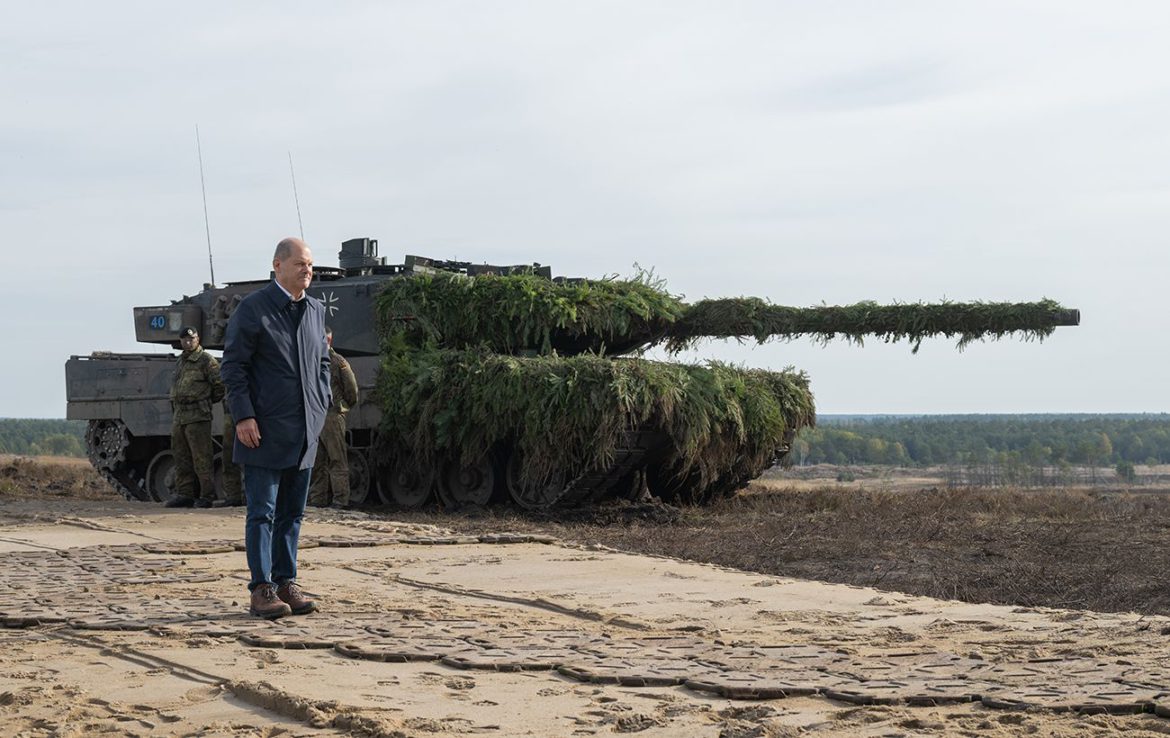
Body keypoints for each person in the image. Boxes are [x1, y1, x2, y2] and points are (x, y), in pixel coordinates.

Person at [221, 237, 331, 619]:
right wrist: (244, 416)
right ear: (278, 265)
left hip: (304, 430)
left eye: (311, 265)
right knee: (262, 513)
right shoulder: (254, 309)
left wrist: (321, 404)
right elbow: (233, 367)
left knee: (292, 514)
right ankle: (262, 588)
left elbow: (323, 362)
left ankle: (287, 582)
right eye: (301, 263)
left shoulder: (315, 310)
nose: (308, 270)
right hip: (263, 428)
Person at [166, 326, 224, 508]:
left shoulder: (206, 360)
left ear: (198, 339)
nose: (188, 342)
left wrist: (203, 401)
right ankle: (185, 494)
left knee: (201, 457)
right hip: (180, 415)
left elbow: (220, 387)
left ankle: (207, 495)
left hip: (198, 415)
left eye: (191, 339)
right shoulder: (181, 361)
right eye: (185, 339)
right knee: (181, 457)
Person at [308, 327, 360, 509]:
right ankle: (331, 501)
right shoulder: (335, 362)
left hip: (323, 415)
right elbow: (352, 392)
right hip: (327, 414)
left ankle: (326, 500)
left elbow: (351, 390)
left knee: (326, 460)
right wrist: (345, 406)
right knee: (325, 460)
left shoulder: (323, 361)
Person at [218, 404, 244, 507]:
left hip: (252, 413)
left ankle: (250, 495)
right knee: (229, 457)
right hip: (229, 413)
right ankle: (233, 496)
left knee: (252, 459)